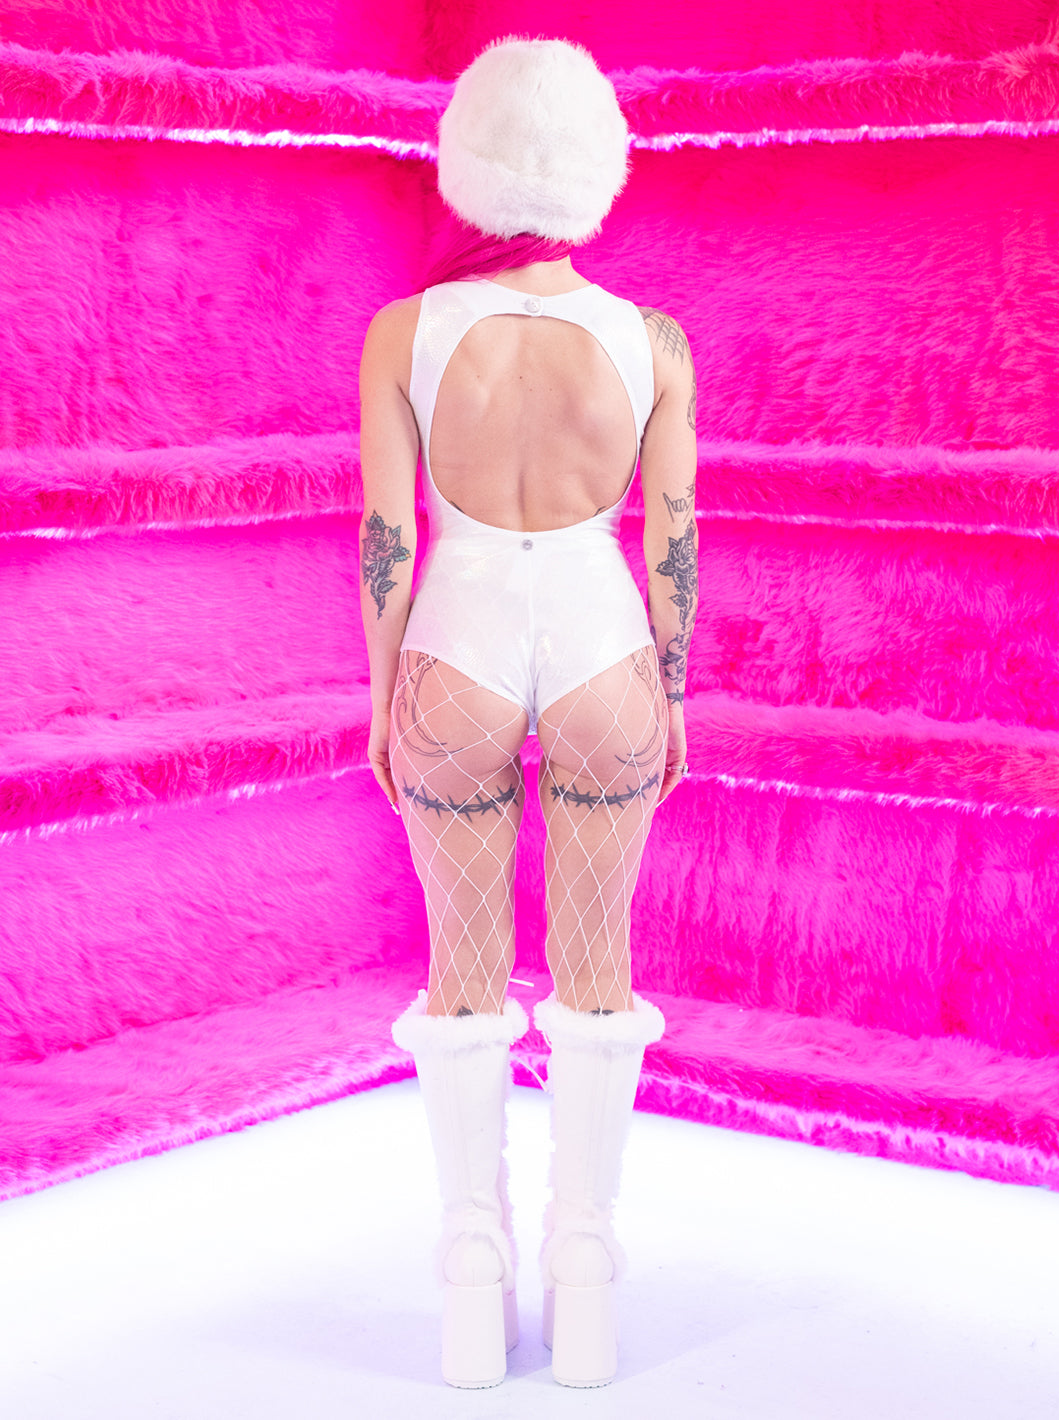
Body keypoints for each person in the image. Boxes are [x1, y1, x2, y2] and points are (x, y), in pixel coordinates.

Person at [357, 35, 698, 1389]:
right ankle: (586, 1277)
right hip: (608, 649)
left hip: (458, 649)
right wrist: (673, 691)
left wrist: (383, 697)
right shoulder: (653, 344)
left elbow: (387, 536)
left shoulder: (404, 335)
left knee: (463, 974)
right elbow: (670, 535)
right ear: (594, 170)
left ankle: (470, 1278)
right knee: (598, 970)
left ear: (472, 164)